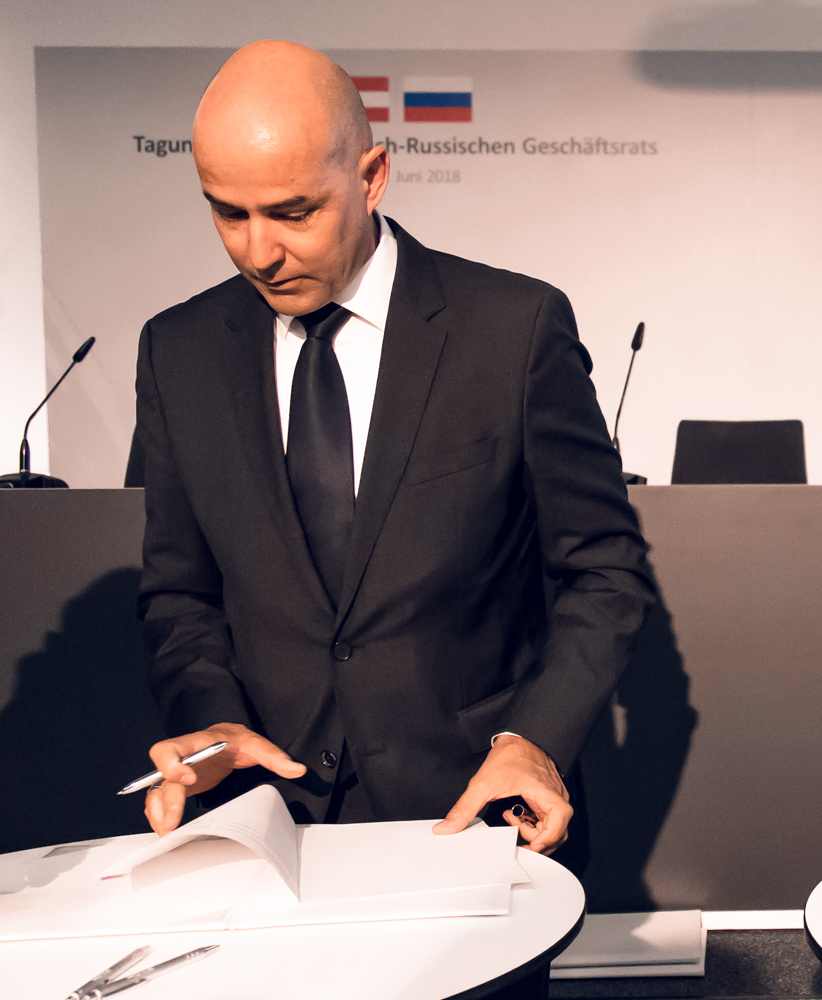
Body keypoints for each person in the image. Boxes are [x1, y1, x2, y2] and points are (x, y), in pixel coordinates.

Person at [134, 38, 654, 899]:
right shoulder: (177, 351)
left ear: (372, 176)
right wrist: (212, 722)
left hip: (478, 822)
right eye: (228, 213)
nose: (258, 252)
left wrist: (535, 740)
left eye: (293, 213)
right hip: (266, 833)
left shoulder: (513, 329)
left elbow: (604, 570)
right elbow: (179, 593)